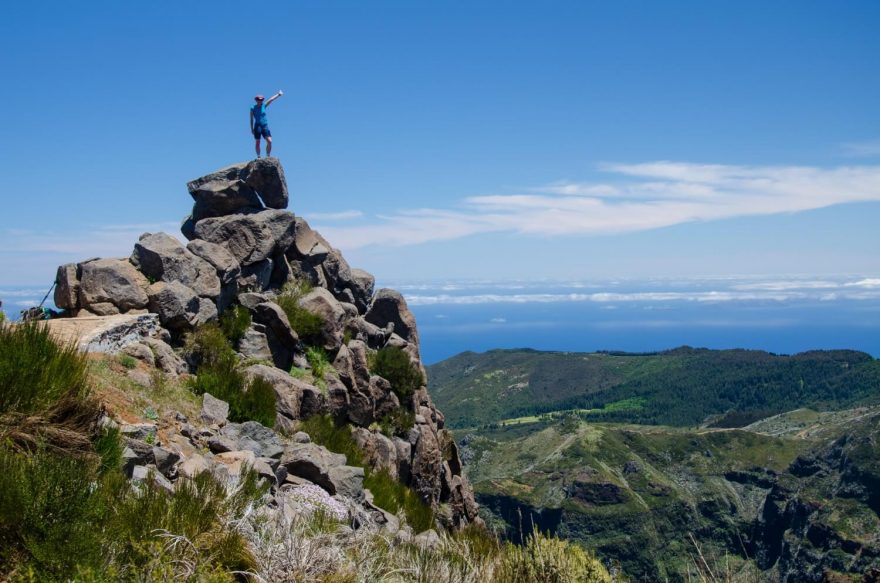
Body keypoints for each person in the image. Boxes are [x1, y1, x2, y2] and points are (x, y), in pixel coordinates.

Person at [250, 90, 283, 158]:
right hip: (257, 126)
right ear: (256, 100)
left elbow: (271, 100)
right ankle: (258, 156)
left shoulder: (264, 106)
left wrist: (278, 94)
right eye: (258, 99)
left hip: (264, 126)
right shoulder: (253, 108)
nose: (260, 100)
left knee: (270, 141)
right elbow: (251, 119)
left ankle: (268, 155)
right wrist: (252, 129)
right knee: (258, 141)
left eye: (261, 99)